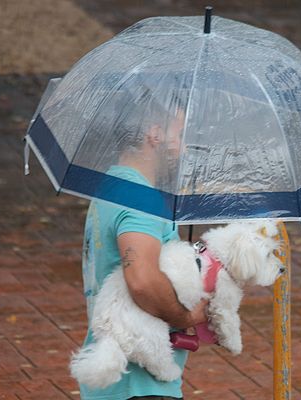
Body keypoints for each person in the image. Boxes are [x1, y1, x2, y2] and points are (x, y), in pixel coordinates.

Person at [79, 89, 206, 400]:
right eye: (180, 133)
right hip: (138, 384)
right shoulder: (140, 198)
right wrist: (186, 316)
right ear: (155, 134)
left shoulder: (112, 185)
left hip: (118, 379)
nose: (184, 146)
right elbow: (142, 281)